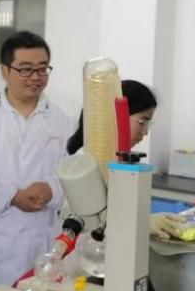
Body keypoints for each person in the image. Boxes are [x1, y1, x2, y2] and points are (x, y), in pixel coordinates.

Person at [0, 31, 75, 291]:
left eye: (42, 69)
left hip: (42, 243)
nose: (36, 77)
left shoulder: (63, 120)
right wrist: (12, 196)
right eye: (26, 69)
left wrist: (52, 188)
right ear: (5, 71)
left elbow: (73, 173)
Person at [65, 80, 181, 240]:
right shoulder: (85, 162)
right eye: (142, 122)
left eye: (148, 124)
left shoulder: (118, 161)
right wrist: (140, 223)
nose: (145, 132)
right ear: (117, 116)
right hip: (88, 252)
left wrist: (142, 221)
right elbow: (92, 227)